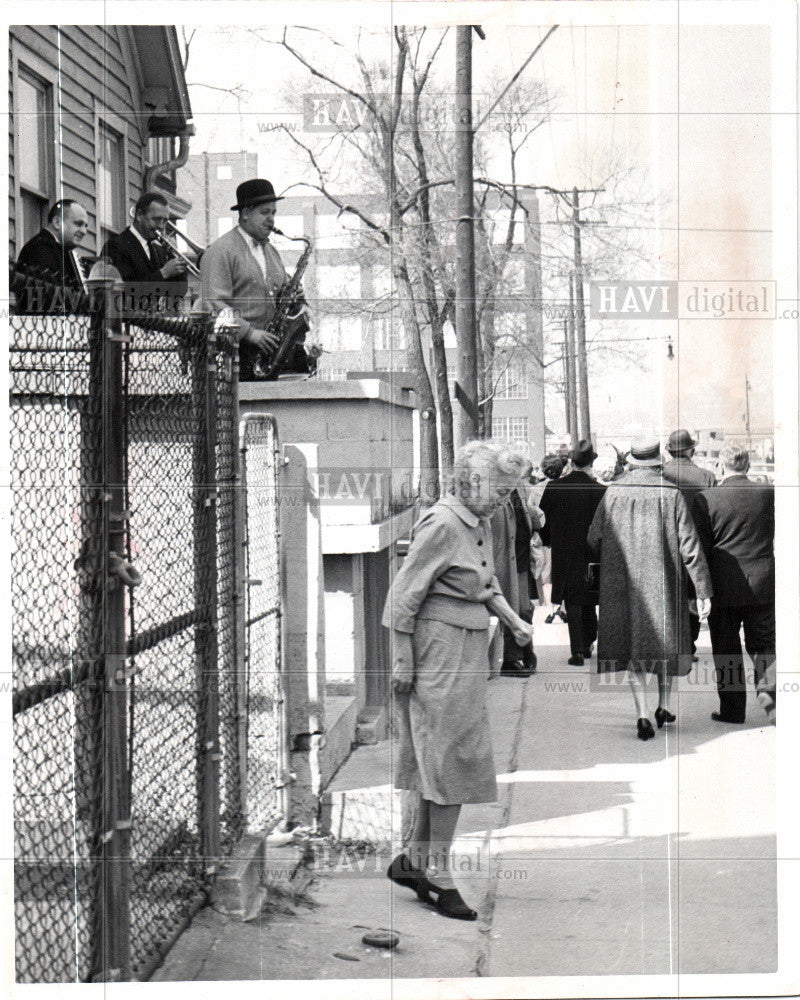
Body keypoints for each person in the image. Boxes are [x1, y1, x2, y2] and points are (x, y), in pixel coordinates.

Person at [383, 440, 534, 919]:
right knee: (449, 757)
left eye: (510, 492)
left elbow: (483, 584)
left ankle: (416, 861)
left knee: (446, 755)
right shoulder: (444, 523)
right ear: (468, 483)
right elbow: (401, 597)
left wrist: (512, 620)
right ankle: (438, 873)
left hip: (465, 645)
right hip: (438, 649)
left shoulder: (477, 522)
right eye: (499, 490)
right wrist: (402, 661)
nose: (503, 501)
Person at [586, 437, 712, 740]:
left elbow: (594, 537)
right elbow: (689, 546)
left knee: (633, 648)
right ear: (658, 460)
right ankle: (664, 706)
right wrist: (702, 589)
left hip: (623, 583)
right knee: (665, 643)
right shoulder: (671, 494)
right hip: (664, 581)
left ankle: (642, 714)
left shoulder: (614, 492)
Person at [199, 178, 319, 380]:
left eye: (273, 213)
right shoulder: (220, 251)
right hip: (239, 354)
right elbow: (213, 304)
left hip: (272, 352)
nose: (271, 219)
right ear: (245, 213)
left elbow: (283, 295)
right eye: (265, 213)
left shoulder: (270, 251)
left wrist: (294, 296)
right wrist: (250, 333)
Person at [693, 447, 776, 724]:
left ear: (720, 465)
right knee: (764, 643)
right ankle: (770, 694)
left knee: (726, 648)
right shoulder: (768, 494)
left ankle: (732, 710)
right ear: (748, 465)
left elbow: (700, 549)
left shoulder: (705, 499)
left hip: (723, 585)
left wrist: (698, 590)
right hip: (763, 582)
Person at [538, 440, 606, 666]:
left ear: (571, 461)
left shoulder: (554, 487)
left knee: (572, 599)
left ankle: (577, 649)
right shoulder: (600, 490)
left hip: (564, 552)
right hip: (592, 552)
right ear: (590, 463)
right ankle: (588, 641)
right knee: (589, 597)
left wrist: (548, 541)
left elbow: (544, 521)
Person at [662, 428, 717, 651]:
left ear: (670, 452)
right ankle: (690, 641)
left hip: (666, 540)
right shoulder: (707, 476)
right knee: (693, 590)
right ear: (691, 451)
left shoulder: (661, 474)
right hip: (699, 541)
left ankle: (674, 640)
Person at [491, 454, 540, 677]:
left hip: (520, 559)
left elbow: (529, 515)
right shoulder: (496, 494)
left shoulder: (518, 488)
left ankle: (524, 653)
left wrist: (536, 522)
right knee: (512, 608)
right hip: (504, 560)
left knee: (524, 608)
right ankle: (512, 658)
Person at [101, 191, 189, 301]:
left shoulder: (159, 251)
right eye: (156, 219)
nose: (161, 226)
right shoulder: (116, 246)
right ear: (139, 216)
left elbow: (178, 293)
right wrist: (163, 273)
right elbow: (125, 292)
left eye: (165, 221)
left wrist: (175, 255)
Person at [14, 199, 89, 310]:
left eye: (85, 226)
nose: (84, 231)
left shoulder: (60, 250)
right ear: (57, 223)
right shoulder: (40, 248)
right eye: (78, 224)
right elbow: (46, 299)